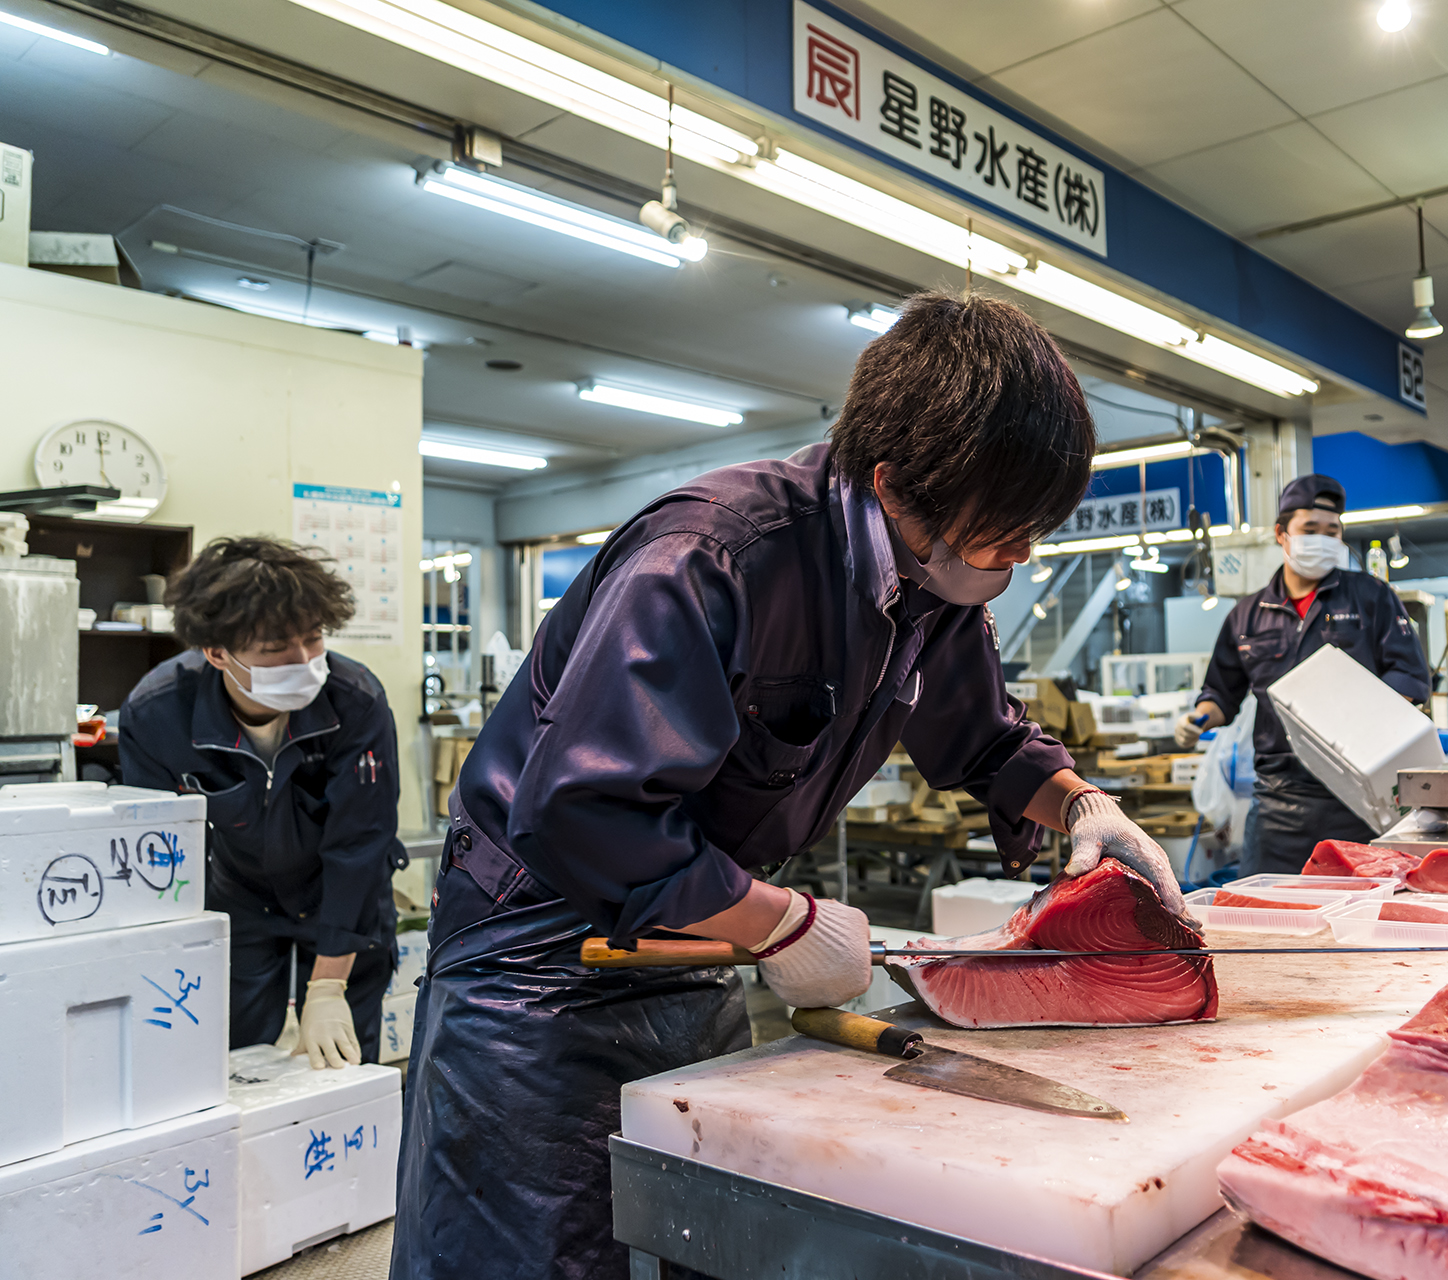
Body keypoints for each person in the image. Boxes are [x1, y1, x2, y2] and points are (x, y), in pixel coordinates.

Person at [392, 293, 1196, 1280]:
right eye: (1003, 531)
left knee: (699, 1232)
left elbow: (985, 737)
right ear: (893, 484)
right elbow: (583, 808)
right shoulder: (710, 556)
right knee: (538, 1253)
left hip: (695, 931)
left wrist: (1081, 803)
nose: (1019, 557)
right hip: (535, 960)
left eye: (1033, 529)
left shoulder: (937, 571)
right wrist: (780, 922)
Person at [120, 537, 404, 1069]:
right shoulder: (158, 714)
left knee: (342, 1067)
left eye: (313, 638)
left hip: (342, 901)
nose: (304, 660)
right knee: (235, 1061)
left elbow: (361, 845)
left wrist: (328, 987)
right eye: (276, 648)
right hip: (241, 902)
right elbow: (157, 853)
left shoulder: (355, 700)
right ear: (216, 652)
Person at [1174, 475, 1428, 874]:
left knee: (1363, 907)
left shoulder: (1373, 598)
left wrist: (1364, 718)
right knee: (1264, 908)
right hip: (1277, 803)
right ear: (1282, 534)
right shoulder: (1247, 615)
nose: (1322, 540)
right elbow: (1222, 693)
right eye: (1310, 530)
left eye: (1332, 531)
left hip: (1359, 798)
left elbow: (1410, 678)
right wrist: (1197, 719)